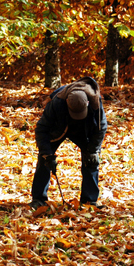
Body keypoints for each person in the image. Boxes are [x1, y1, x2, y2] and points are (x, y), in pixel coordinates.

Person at [30, 76, 107, 208]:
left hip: (84, 130)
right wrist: (47, 154)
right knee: (44, 160)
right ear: (66, 102)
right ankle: (38, 199)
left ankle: (89, 200)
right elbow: (41, 129)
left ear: (87, 103)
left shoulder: (95, 103)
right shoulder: (56, 103)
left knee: (91, 160)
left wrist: (93, 150)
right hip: (59, 129)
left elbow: (101, 128)